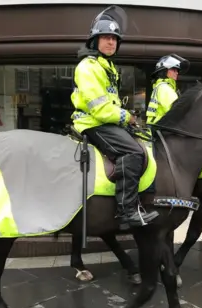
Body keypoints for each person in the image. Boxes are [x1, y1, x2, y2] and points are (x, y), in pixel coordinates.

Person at [70, 6, 159, 230]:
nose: (111, 42)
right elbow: (99, 108)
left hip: (104, 122)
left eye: (114, 39)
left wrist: (127, 118)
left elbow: (110, 103)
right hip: (92, 124)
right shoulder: (87, 67)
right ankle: (126, 210)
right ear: (95, 41)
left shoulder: (106, 66)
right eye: (106, 38)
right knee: (133, 151)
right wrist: (126, 117)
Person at [146, 54, 189, 125]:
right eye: (174, 69)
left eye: (177, 70)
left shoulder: (160, 86)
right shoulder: (164, 88)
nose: (177, 72)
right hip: (162, 129)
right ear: (164, 71)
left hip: (158, 127)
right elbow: (176, 111)